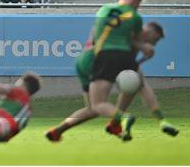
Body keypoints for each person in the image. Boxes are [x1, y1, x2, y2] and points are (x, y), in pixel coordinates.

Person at [46, 22, 179, 142]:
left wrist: (143, 58)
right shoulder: (130, 31)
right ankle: (123, 118)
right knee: (136, 84)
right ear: (149, 31)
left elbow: (128, 65)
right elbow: (97, 30)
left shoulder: (133, 41)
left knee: (94, 108)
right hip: (97, 62)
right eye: (155, 39)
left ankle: (57, 131)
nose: (154, 44)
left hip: (85, 62)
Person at [88, 0, 154, 141]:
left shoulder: (103, 10)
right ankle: (116, 124)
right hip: (125, 56)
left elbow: (96, 38)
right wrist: (143, 48)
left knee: (97, 104)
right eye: (137, 6)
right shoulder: (136, 17)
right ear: (133, 2)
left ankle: (122, 117)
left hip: (105, 55)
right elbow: (136, 42)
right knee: (137, 84)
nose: (136, 9)